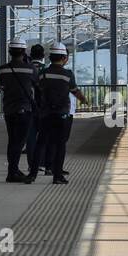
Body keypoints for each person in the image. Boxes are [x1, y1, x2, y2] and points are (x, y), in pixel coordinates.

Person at [38, 42, 87, 184]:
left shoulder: (43, 73)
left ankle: (37, 171)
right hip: (62, 113)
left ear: (50, 56)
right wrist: (83, 99)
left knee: (44, 141)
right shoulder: (67, 74)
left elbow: (39, 88)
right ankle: (57, 174)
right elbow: (75, 91)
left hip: (45, 112)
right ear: (64, 58)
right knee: (60, 143)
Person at [0, 37, 39, 182]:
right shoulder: (31, 69)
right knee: (19, 142)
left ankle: (13, 170)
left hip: (8, 109)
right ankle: (12, 173)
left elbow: (2, 85)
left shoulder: (2, 70)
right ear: (24, 51)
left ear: (9, 51)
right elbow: (37, 85)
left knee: (12, 140)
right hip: (24, 109)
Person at [25, 42, 45, 173]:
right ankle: (42, 163)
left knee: (30, 137)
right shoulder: (46, 69)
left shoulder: (26, 68)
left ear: (30, 55)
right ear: (44, 55)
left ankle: (31, 164)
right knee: (44, 136)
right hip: (44, 108)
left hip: (28, 107)